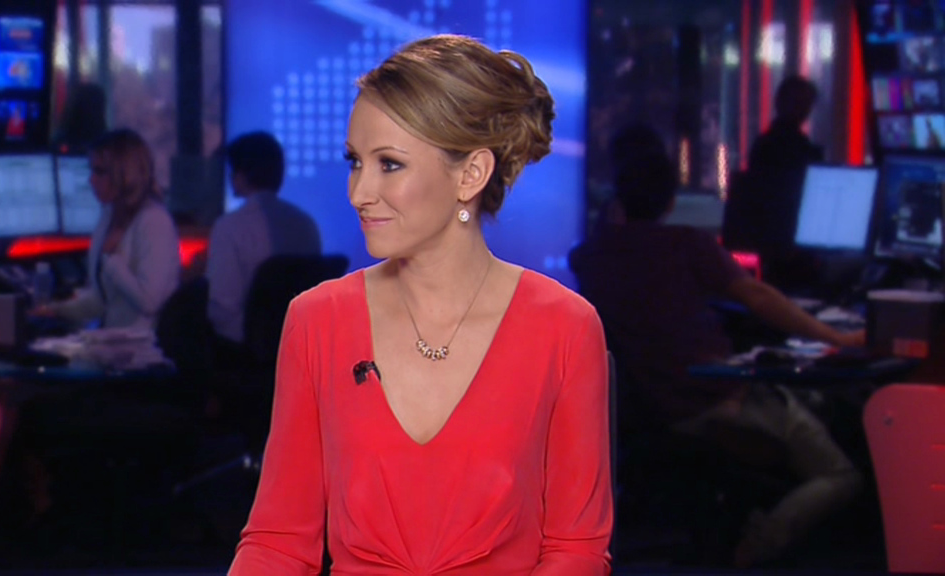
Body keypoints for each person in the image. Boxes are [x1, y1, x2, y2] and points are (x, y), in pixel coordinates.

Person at [229, 34, 613, 575]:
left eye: (389, 164)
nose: (359, 192)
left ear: (471, 174)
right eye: (355, 162)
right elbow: (278, 542)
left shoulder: (565, 328)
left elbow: (576, 550)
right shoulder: (317, 320)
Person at [568, 150, 864, 568]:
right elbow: (758, 297)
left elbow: (602, 244)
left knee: (815, 405)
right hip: (715, 401)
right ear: (671, 200)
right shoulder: (686, 245)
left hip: (655, 409)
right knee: (842, 474)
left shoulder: (589, 257)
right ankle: (760, 545)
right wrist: (838, 337)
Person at [39, 128, 181, 331]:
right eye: (91, 171)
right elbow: (101, 301)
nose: (91, 180)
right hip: (110, 342)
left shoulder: (154, 221)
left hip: (141, 347)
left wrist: (112, 260)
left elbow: (149, 302)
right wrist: (54, 310)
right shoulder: (109, 215)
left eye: (100, 171)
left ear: (125, 174)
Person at [205, 131, 321, 354]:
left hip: (242, 356)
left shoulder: (230, 227)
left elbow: (222, 308)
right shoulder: (306, 224)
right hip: (300, 350)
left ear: (239, 174)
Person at [745, 75, 824, 290]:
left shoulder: (763, 145)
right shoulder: (804, 150)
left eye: (805, 103)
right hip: (794, 248)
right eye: (800, 103)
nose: (804, 109)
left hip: (772, 249)